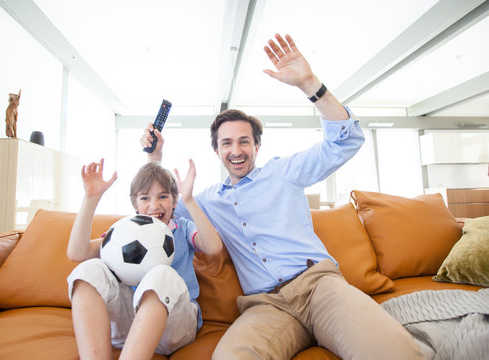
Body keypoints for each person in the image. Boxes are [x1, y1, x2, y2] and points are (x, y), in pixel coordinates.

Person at [143, 34, 424, 359]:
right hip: (265, 306)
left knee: (389, 350)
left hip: (319, 287)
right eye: (227, 143)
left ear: (257, 146)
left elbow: (345, 142)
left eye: (244, 141)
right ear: (217, 151)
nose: (236, 150)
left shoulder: (283, 172)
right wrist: (155, 157)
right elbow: (162, 212)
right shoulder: (206, 201)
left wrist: (310, 85)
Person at [66, 158, 222, 360]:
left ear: (174, 201)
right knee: (89, 269)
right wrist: (90, 198)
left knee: (162, 274)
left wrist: (189, 199)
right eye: (145, 198)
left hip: (174, 326)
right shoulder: (125, 230)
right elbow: (77, 253)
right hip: (129, 326)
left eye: (163, 196)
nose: (154, 205)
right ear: (135, 203)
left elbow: (214, 246)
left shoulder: (182, 228)